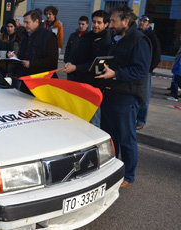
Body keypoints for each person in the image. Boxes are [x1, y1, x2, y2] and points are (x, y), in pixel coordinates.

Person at [95, 5, 151, 188]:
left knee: (126, 138)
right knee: (111, 138)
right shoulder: (115, 39)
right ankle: (112, 169)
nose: (110, 25)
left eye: (113, 21)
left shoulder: (139, 40)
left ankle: (128, 176)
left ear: (126, 22)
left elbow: (140, 70)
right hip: (110, 94)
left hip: (126, 98)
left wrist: (116, 74)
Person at [63, 10, 112, 128]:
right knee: (78, 118)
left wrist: (76, 67)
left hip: (95, 85)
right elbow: (77, 53)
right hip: (79, 82)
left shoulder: (108, 41)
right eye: (94, 22)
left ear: (106, 24)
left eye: (99, 22)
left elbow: (97, 64)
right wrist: (70, 62)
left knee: (93, 121)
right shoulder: (87, 36)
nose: (95, 25)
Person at [8, 10, 58, 92]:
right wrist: (15, 57)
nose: (25, 25)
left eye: (28, 22)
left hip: (41, 84)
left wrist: (32, 64)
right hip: (26, 82)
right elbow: (23, 56)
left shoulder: (48, 36)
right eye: (24, 22)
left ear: (36, 21)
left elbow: (52, 62)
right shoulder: (25, 36)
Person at [136, 15, 162, 129]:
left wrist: (149, 69)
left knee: (144, 96)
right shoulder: (136, 34)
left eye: (144, 21)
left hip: (145, 72)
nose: (141, 23)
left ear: (149, 24)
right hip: (135, 69)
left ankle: (141, 121)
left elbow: (156, 56)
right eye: (141, 21)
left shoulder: (151, 37)